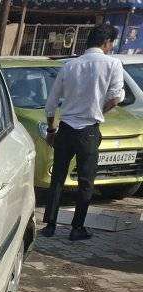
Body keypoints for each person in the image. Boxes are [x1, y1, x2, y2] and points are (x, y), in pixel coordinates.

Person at [41, 24, 125, 241]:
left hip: (65, 129)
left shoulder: (70, 66)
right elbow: (116, 97)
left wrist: (51, 129)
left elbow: (51, 104)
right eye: (111, 44)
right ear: (106, 43)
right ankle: (77, 228)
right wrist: (98, 109)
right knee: (86, 181)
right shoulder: (113, 64)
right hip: (88, 130)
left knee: (58, 178)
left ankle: (49, 225)